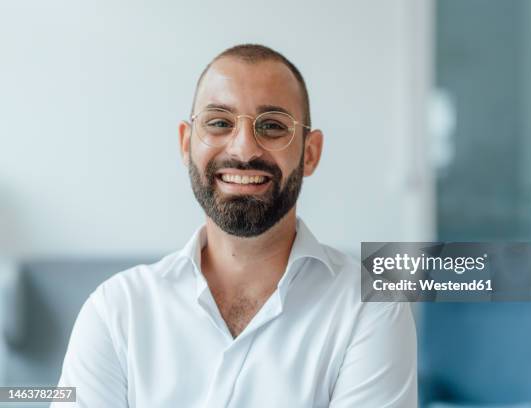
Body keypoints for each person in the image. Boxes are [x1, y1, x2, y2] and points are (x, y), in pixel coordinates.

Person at [53, 44, 417, 407]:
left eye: (272, 126)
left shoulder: (370, 307)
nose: (243, 150)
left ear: (310, 152)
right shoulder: (116, 310)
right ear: (186, 143)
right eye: (219, 123)